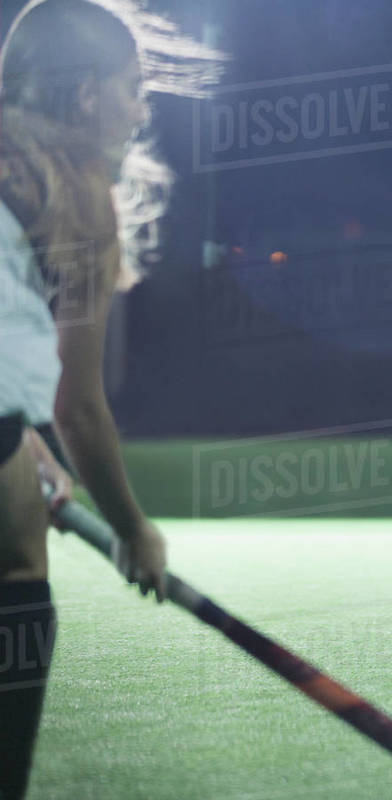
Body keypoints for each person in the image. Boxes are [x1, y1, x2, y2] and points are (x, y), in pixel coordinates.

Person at [0, 1, 217, 796]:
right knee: (18, 555)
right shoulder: (76, 188)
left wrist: (18, 444)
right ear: (88, 96)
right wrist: (134, 529)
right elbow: (78, 407)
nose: (141, 109)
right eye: (133, 88)